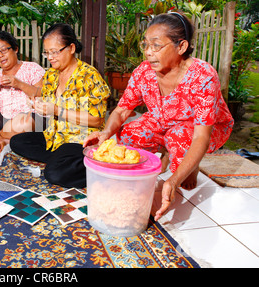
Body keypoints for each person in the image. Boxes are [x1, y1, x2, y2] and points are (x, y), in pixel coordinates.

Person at [84, 12, 234, 221]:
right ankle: (169, 154)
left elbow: (201, 136)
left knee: (180, 137)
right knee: (129, 134)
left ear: (181, 47)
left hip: (202, 129)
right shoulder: (144, 72)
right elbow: (121, 110)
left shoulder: (203, 77)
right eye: (145, 45)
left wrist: (172, 181)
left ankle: (188, 167)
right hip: (163, 119)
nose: (148, 52)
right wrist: (106, 133)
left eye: (156, 46)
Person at [10, 23, 110, 188]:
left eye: (55, 51)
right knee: (17, 141)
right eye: (47, 52)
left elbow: (97, 120)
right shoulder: (51, 74)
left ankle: (98, 168)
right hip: (55, 137)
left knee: (54, 174)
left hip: (80, 139)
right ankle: (64, 160)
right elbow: (45, 98)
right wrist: (37, 104)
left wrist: (57, 110)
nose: (50, 57)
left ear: (71, 48)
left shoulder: (89, 76)